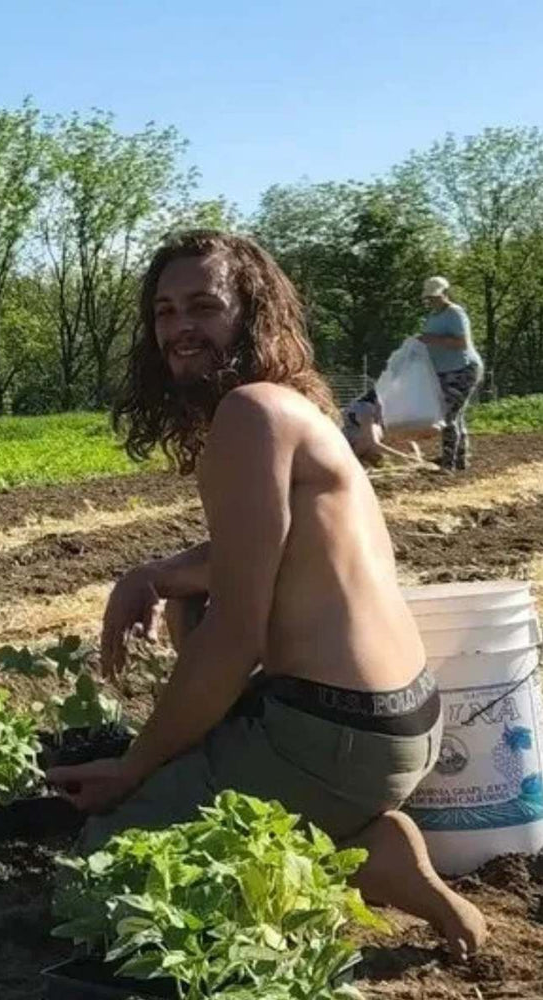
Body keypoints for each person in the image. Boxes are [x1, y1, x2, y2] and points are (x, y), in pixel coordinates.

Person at [46, 230, 488, 958]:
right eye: (163, 311)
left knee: (100, 877)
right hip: (401, 720)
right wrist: (153, 576)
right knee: (198, 664)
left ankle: (340, 855)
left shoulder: (249, 415)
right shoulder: (291, 408)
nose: (178, 327)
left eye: (202, 306)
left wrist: (135, 770)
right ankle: (363, 840)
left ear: (250, 313)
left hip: (332, 736)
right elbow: (256, 555)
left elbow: (238, 634)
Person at [418, 276, 483, 472]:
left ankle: (449, 463)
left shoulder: (455, 313)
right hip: (445, 371)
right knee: (456, 415)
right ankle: (460, 459)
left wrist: (432, 339)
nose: (432, 301)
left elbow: (461, 343)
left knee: (447, 415)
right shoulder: (433, 316)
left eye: (435, 297)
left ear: (444, 294)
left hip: (463, 370)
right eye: (429, 298)